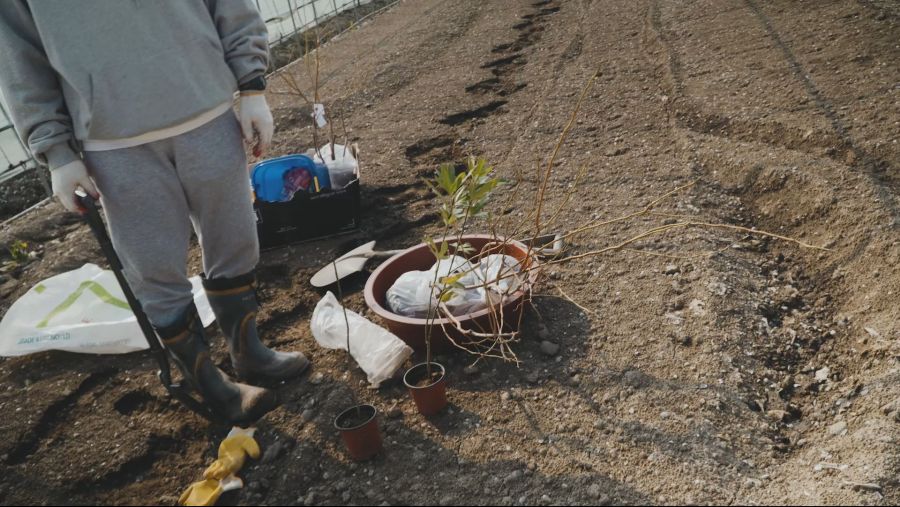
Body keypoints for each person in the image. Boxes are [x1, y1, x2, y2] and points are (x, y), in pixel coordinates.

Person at [0, 0, 309, 425]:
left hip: (208, 111)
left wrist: (252, 87)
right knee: (153, 268)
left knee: (235, 239)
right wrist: (56, 152)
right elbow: (18, 53)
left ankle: (249, 352)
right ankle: (212, 387)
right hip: (112, 144)